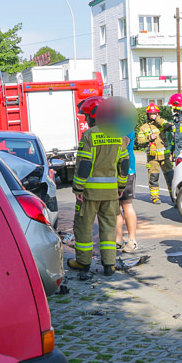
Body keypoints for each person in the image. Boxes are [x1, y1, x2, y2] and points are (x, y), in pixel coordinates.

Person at [69, 98, 130, 279]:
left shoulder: (89, 135)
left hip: (89, 194)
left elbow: (84, 164)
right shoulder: (118, 135)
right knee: (109, 227)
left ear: (94, 116)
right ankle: (109, 264)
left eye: (87, 115)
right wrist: (121, 186)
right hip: (111, 193)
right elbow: (124, 163)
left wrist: (78, 189)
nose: (86, 119)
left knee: (83, 227)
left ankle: (83, 262)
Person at [136, 103, 174, 203]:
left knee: (170, 177)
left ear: (158, 114)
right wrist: (149, 138)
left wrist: (158, 119)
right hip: (152, 157)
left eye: (155, 113)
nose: (152, 115)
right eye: (151, 114)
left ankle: (174, 196)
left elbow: (171, 127)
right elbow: (139, 140)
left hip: (165, 157)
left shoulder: (162, 123)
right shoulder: (143, 127)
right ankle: (155, 197)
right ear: (147, 115)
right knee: (153, 177)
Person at [115, 127, 138, 251]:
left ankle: (132, 240)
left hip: (126, 170)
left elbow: (122, 144)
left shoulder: (126, 126)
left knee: (126, 205)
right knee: (115, 206)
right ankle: (118, 239)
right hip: (113, 171)